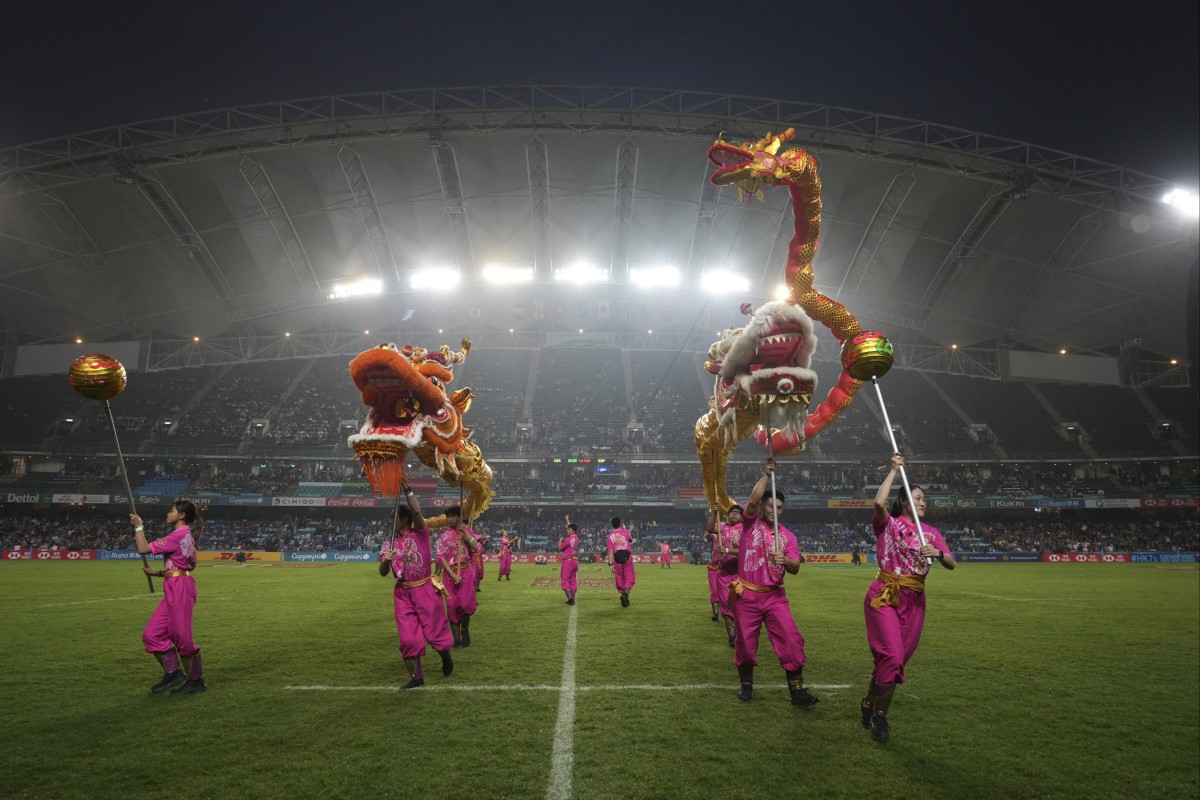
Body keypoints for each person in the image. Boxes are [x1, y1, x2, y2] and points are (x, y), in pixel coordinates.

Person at [861, 452, 955, 742]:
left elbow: (951, 562)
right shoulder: (889, 524)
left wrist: (937, 553)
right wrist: (893, 470)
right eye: (918, 498)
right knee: (892, 655)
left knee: (896, 660)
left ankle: (868, 702)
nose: (924, 502)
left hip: (915, 602)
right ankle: (880, 717)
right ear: (904, 502)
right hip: (885, 595)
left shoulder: (931, 533)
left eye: (925, 499)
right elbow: (879, 503)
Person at [730, 458, 817, 708]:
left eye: (779, 507)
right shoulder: (750, 524)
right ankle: (746, 684)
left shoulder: (788, 536)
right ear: (762, 507)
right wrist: (766, 475)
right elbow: (752, 500)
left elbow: (796, 567)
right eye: (770, 506)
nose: (774, 511)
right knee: (746, 646)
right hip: (747, 595)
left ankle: (797, 691)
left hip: (775, 597)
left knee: (791, 640)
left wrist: (785, 561)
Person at [381, 482, 455, 688]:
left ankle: (445, 656)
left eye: (393, 517)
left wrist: (407, 490)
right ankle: (417, 678)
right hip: (402, 593)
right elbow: (383, 572)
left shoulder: (420, 534)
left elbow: (416, 511)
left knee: (435, 633)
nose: (389, 521)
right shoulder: (388, 544)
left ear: (405, 519)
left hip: (425, 589)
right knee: (408, 638)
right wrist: (386, 560)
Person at [131, 500, 206, 696]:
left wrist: (138, 526)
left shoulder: (178, 535)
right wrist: (158, 573)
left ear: (181, 515)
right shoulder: (186, 535)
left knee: (182, 638)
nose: (168, 513)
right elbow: (185, 565)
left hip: (180, 588)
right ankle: (173, 673)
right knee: (152, 635)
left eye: (171, 511)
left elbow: (143, 548)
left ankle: (196, 681)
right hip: (175, 586)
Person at [435, 505, 478, 647]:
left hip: (466, 572)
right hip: (450, 574)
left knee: (465, 605)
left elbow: (475, 547)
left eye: (454, 516)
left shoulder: (467, 531)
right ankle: (457, 638)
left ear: (459, 517)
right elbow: (441, 557)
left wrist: (465, 531)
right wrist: (453, 575)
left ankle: (464, 629)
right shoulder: (443, 537)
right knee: (451, 606)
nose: (451, 519)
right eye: (449, 516)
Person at [705, 504, 743, 647]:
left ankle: (740, 630)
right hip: (723, 572)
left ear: (742, 517)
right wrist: (714, 513)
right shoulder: (722, 527)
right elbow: (709, 529)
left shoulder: (746, 530)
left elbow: (746, 551)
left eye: (737, 512)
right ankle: (732, 635)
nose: (734, 514)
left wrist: (726, 550)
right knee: (726, 604)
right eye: (732, 512)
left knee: (741, 605)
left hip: (741, 573)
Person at [606, 517, 636, 607]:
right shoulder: (626, 532)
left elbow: (610, 551)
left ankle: (623, 595)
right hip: (627, 558)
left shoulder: (610, 536)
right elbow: (631, 540)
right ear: (620, 523)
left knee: (620, 578)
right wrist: (625, 529)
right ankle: (625, 594)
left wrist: (610, 564)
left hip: (617, 560)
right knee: (629, 578)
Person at [559, 516, 579, 605]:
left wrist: (560, 541)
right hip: (575, 561)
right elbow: (571, 527)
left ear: (572, 531)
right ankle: (573, 597)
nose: (567, 530)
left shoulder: (568, 539)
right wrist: (567, 520)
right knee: (573, 579)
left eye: (569, 529)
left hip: (568, 562)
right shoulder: (576, 537)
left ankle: (570, 599)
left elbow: (560, 548)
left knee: (565, 579)